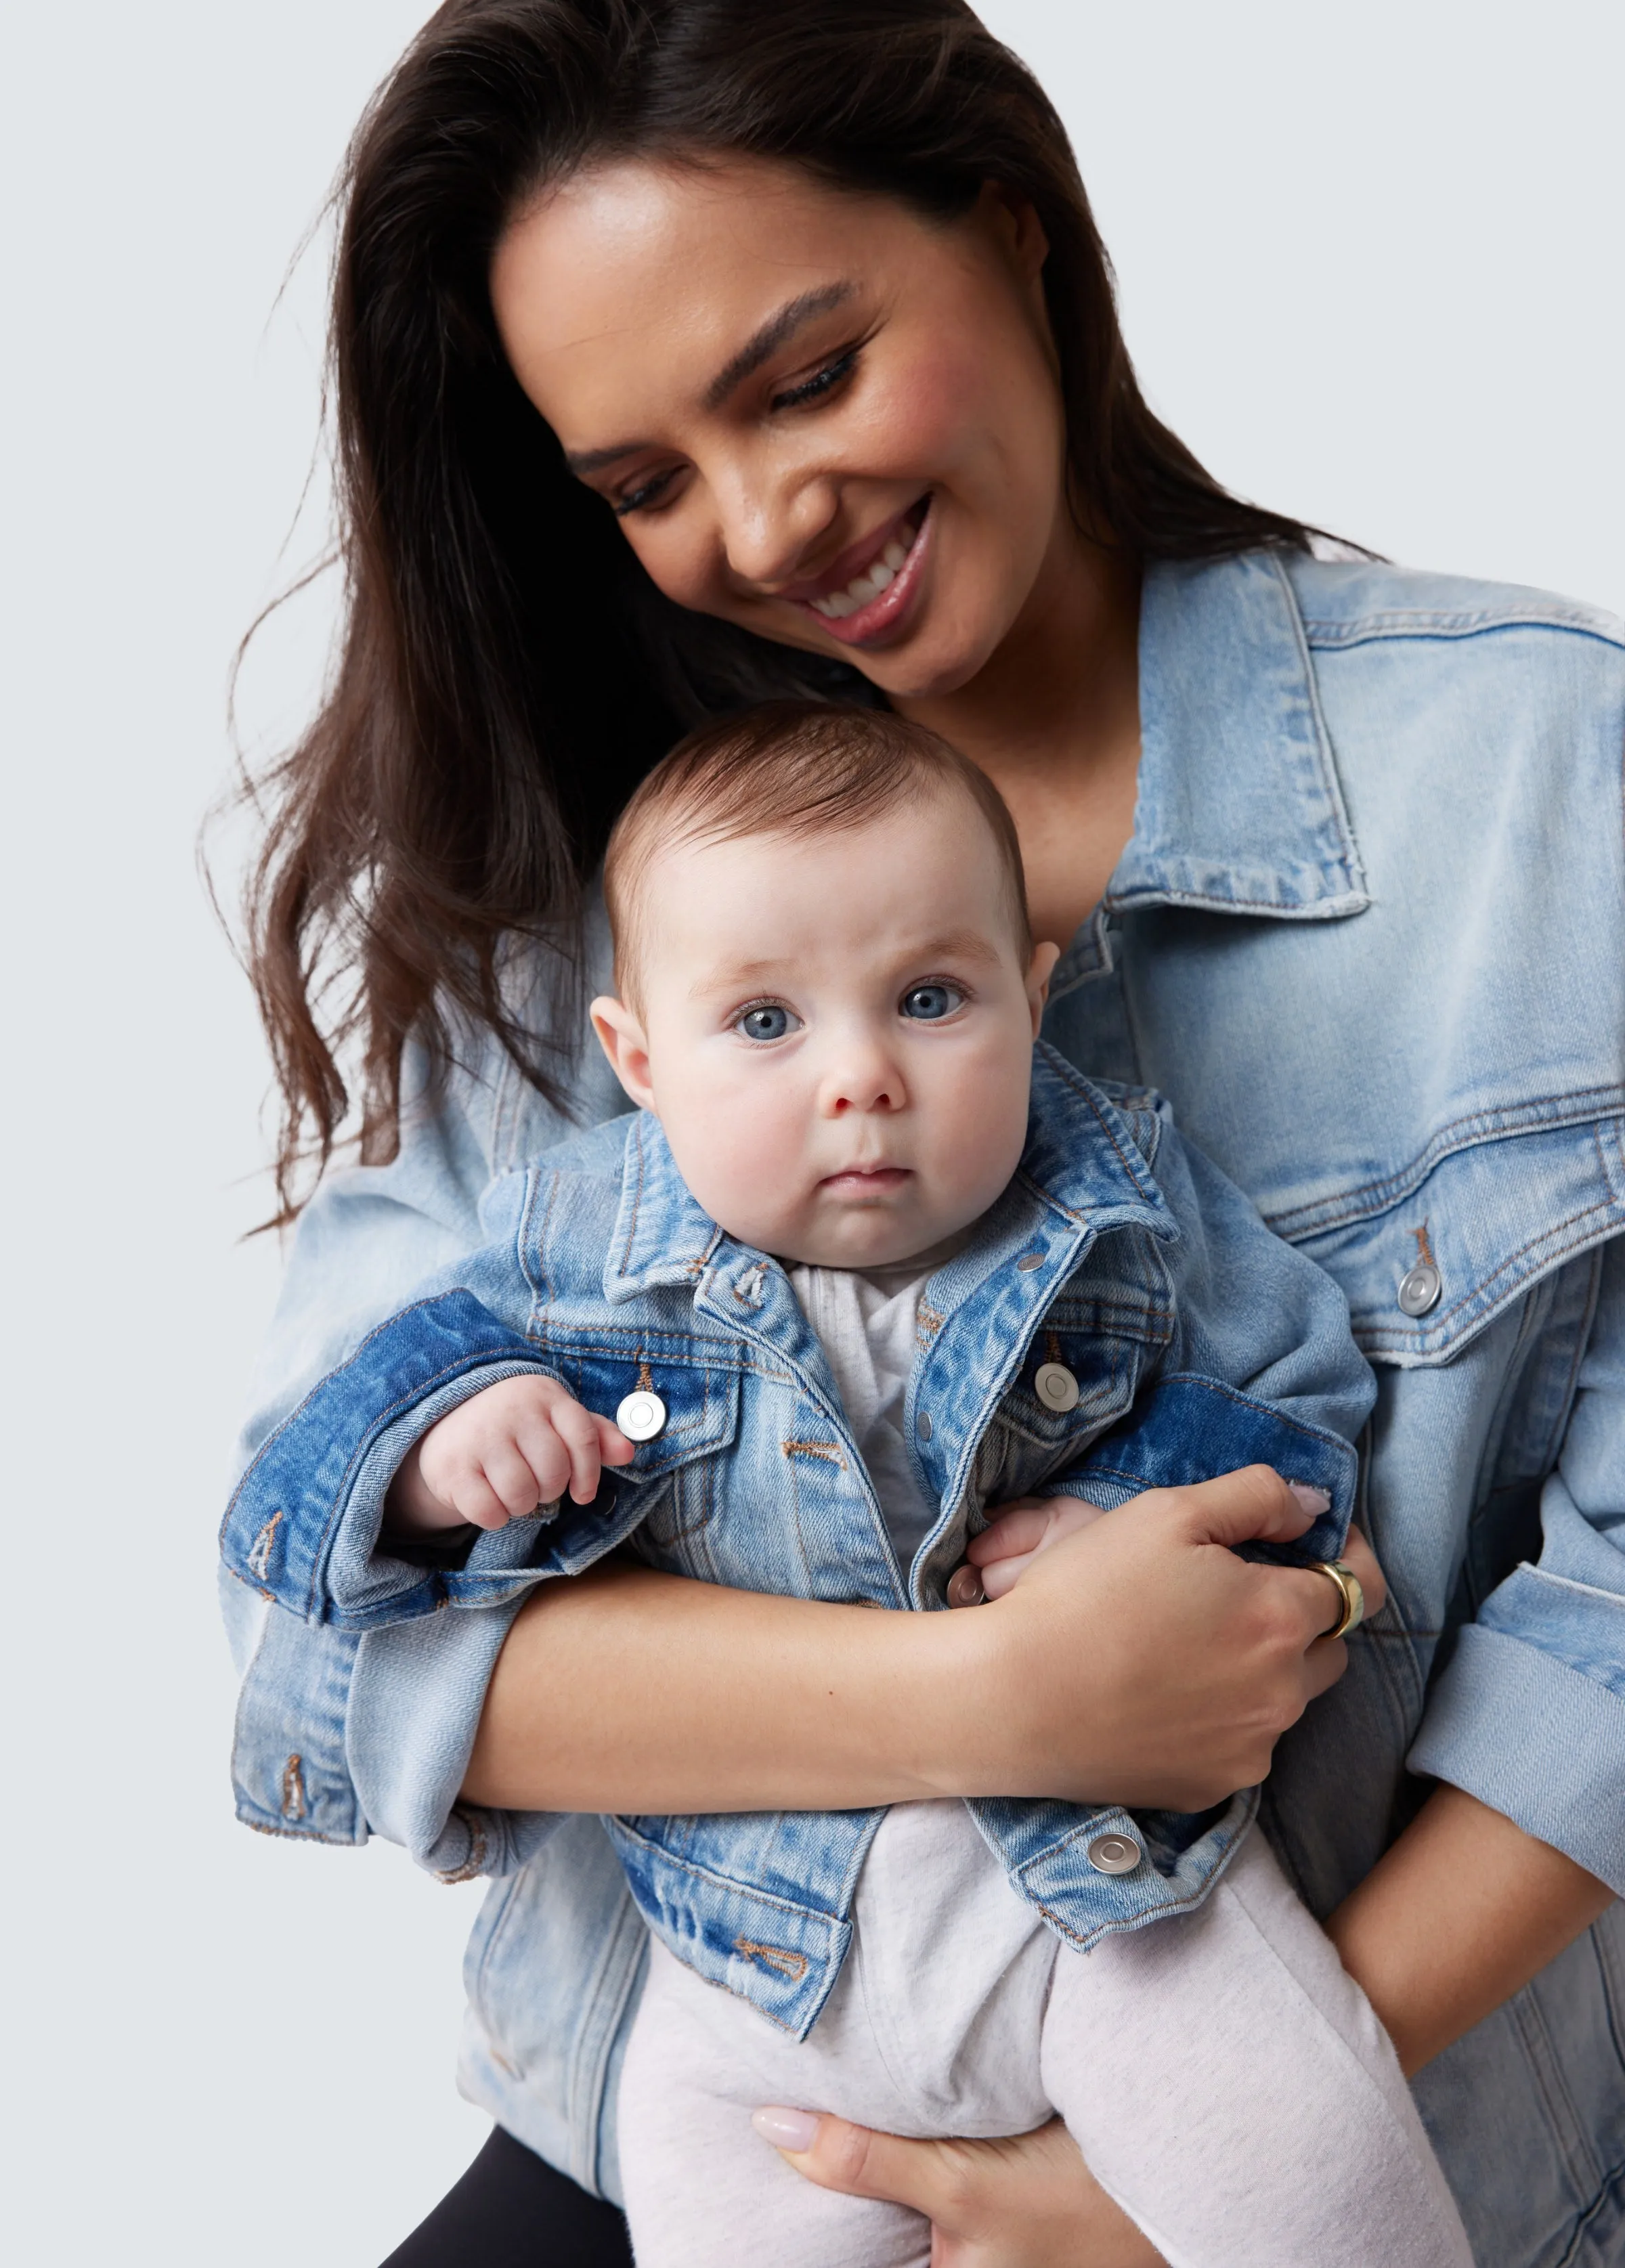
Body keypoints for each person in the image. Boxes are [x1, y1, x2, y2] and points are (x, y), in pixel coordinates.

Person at [221, 2, 1625, 2261]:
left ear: (1009, 230)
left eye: (805, 374)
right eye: (644, 484)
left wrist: (1151, 2182)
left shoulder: (1542, 775)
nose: (765, 525)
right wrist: (994, 1691)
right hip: (707, 2128)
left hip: (1344, 2122)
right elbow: (336, 1631)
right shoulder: (582, 894)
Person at [228, 703, 1471, 2267]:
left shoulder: (1125, 1205)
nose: (862, 1076)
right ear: (640, 1058)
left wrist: (1142, 1523)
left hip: (1103, 1913)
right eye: (764, 1024)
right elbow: (304, 1497)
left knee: (1324, 2183)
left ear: (1032, 993)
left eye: (931, 998)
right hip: (747, 1982)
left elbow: (1305, 1401)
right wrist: (439, 1450)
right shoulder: (576, 1257)